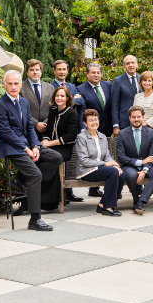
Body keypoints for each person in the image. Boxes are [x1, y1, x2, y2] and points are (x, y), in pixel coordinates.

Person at [0, 70, 61, 231]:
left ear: (21, 84)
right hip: (10, 146)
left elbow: (30, 128)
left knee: (56, 158)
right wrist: (26, 149)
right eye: (10, 83)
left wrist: (36, 146)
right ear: (4, 85)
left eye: (16, 83)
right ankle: (35, 219)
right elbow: (6, 132)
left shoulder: (23, 102)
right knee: (35, 174)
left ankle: (21, 179)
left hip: (27, 145)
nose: (14, 86)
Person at [75, 109, 125, 216]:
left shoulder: (102, 136)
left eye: (95, 119)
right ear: (85, 123)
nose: (94, 122)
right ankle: (108, 207)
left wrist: (115, 165)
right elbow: (84, 160)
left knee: (121, 173)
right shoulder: (81, 137)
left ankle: (103, 204)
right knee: (112, 172)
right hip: (86, 170)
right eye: (90, 120)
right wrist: (104, 164)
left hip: (101, 169)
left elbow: (107, 156)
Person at [115, 106, 153, 215]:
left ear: (143, 117)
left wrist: (144, 170)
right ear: (129, 118)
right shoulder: (122, 133)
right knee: (131, 175)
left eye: (139, 117)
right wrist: (140, 162)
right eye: (134, 117)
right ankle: (136, 198)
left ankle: (140, 202)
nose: (136, 119)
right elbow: (121, 157)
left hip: (147, 165)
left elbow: (152, 155)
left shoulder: (150, 133)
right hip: (129, 165)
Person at [76, 63, 112, 198]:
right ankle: (93, 186)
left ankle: (106, 187)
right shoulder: (80, 89)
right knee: (92, 155)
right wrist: (82, 128)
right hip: (91, 128)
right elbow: (81, 109)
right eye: (93, 72)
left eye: (98, 72)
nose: (96, 75)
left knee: (104, 154)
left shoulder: (108, 85)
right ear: (87, 74)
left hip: (107, 127)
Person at [40, 86, 80, 209]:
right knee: (38, 159)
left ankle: (51, 201)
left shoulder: (72, 113)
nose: (59, 98)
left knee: (51, 162)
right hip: (50, 147)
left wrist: (50, 144)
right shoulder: (52, 112)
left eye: (62, 96)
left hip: (64, 149)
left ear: (68, 98)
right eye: (57, 96)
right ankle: (41, 199)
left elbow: (71, 135)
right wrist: (45, 139)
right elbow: (47, 131)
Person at [52, 60, 85, 203]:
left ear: (68, 70)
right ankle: (60, 193)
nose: (62, 72)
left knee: (70, 160)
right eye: (59, 69)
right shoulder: (50, 87)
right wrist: (73, 101)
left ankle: (69, 192)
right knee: (58, 161)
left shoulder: (72, 86)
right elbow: (52, 104)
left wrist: (71, 102)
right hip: (57, 129)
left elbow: (81, 102)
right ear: (54, 70)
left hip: (71, 128)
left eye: (64, 69)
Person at [20, 59, 54, 140]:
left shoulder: (50, 88)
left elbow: (53, 108)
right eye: (31, 70)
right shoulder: (20, 88)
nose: (35, 72)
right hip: (28, 131)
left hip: (47, 130)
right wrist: (35, 124)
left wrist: (46, 123)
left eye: (37, 70)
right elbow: (20, 110)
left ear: (41, 72)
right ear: (27, 72)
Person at [111, 54, 141, 136]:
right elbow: (114, 104)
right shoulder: (117, 81)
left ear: (137, 65)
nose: (131, 65)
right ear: (124, 66)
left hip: (141, 121)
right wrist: (116, 125)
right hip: (125, 122)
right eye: (128, 63)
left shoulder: (143, 79)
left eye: (133, 63)